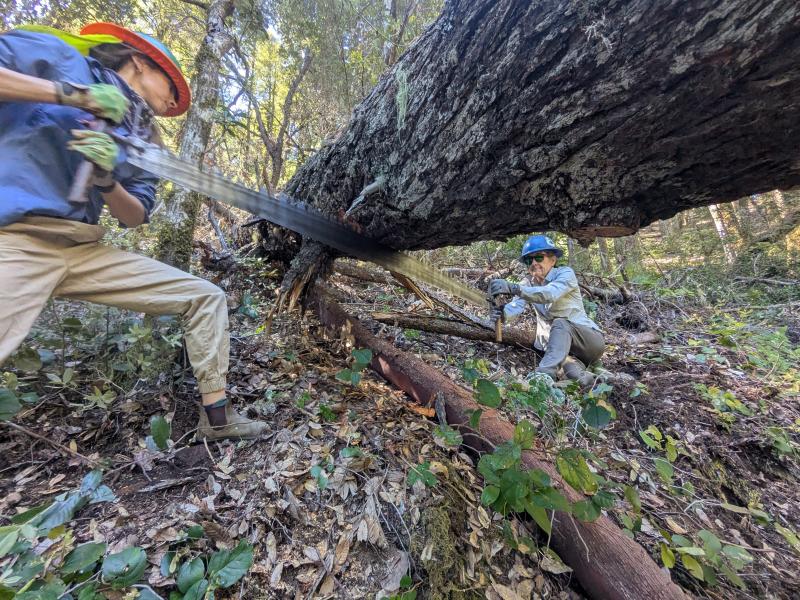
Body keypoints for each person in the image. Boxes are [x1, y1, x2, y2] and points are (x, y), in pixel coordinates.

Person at [0, 23, 266, 440]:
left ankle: (218, 421)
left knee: (205, 297)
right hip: (17, 238)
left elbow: (134, 216)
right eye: (171, 87)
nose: (174, 101)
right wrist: (72, 95)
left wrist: (107, 180)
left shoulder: (144, 139)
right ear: (140, 61)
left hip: (82, 249)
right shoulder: (57, 57)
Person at [488, 235, 605, 386]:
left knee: (561, 323)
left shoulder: (565, 273)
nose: (534, 263)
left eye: (539, 257)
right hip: (565, 351)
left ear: (553, 259)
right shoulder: (528, 284)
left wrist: (514, 288)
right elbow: (516, 306)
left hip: (589, 342)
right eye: (529, 260)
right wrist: (502, 313)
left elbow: (549, 294)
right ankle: (602, 380)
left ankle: (543, 375)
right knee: (577, 379)